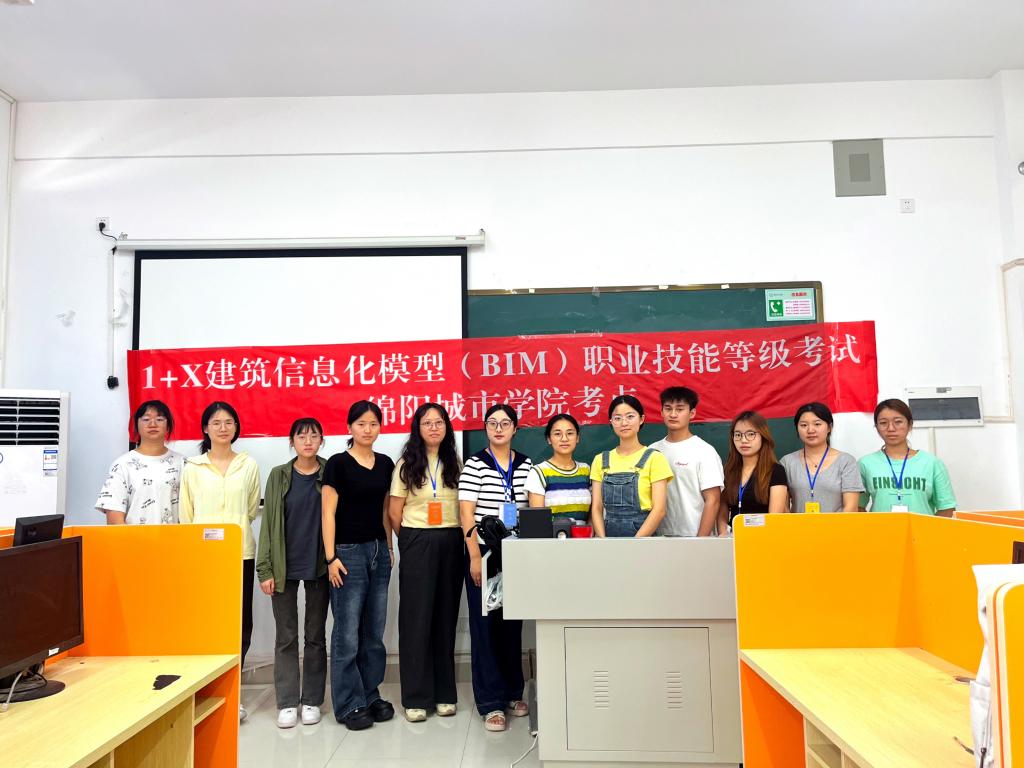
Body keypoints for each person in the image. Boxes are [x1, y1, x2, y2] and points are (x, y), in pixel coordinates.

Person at [179, 401, 261, 722]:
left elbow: (251, 509)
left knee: (240, 624)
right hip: (205, 558)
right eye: (216, 423)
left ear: (236, 427)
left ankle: (234, 692)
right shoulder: (193, 467)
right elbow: (186, 514)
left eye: (229, 422)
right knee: (208, 624)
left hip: (240, 554)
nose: (223, 428)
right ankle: (206, 690)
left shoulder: (248, 465)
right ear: (205, 428)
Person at [321, 400, 396, 731]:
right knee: (347, 632)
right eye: (361, 424)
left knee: (374, 632)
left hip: (378, 550)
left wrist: (389, 547)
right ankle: (348, 702)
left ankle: (369, 694)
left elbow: (385, 510)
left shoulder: (385, 463)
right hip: (347, 553)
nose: (368, 429)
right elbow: (327, 513)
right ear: (350, 427)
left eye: (373, 424)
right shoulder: (338, 464)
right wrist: (330, 557)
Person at [458, 403, 533, 732]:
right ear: (486, 428)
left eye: (505, 423)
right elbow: (466, 513)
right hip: (485, 551)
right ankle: (490, 703)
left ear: (515, 428)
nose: (498, 428)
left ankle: (513, 692)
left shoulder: (526, 464)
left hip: (516, 552)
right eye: (492, 423)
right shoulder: (475, 464)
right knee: (486, 627)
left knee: (511, 624)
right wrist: (474, 556)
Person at [388, 403, 463, 723]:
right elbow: (394, 511)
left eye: (439, 422)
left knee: (445, 618)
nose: (434, 427)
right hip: (418, 539)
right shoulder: (407, 464)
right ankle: (416, 698)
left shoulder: (455, 461)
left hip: (451, 539)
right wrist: (408, 541)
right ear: (417, 429)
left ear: (447, 427)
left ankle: (444, 694)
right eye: (427, 423)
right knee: (416, 620)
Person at [256, 417, 329, 729]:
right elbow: (269, 524)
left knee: (315, 636)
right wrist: (265, 568)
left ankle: (311, 699)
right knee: (286, 637)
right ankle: (287, 702)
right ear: (292, 442)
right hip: (283, 566)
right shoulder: (279, 475)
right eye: (301, 436)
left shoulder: (330, 472)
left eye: (314, 436)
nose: (308, 442)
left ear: (322, 440)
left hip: (320, 565)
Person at [589, 395, 673, 538]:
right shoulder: (600, 460)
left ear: (641, 419)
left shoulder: (655, 458)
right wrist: (603, 541)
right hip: (608, 538)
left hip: (643, 539)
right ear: (611, 422)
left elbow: (659, 510)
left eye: (630, 416)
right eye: (617, 418)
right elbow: (596, 508)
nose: (624, 423)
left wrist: (635, 543)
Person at [859, 399, 956, 516]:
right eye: (883, 423)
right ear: (877, 427)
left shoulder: (931, 463)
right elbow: (857, 506)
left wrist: (929, 528)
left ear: (910, 425)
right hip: (881, 528)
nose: (891, 428)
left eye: (898, 422)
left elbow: (947, 508)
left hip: (921, 528)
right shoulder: (865, 464)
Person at [650, 387, 724, 536]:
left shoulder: (704, 451)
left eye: (680, 409)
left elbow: (713, 500)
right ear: (661, 412)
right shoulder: (652, 451)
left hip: (693, 536)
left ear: (692, 413)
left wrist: (699, 541)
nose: (673, 414)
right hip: (658, 538)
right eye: (668, 408)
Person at [96, 399, 183, 525]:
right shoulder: (122, 465)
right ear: (136, 426)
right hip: (134, 537)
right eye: (146, 419)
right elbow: (114, 517)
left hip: (175, 537)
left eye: (159, 419)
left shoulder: (183, 463)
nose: (153, 424)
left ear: (168, 426)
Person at [780, 402, 863, 514]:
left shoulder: (846, 462)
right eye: (804, 425)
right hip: (797, 525)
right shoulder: (787, 462)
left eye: (817, 424)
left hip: (837, 525)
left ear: (829, 427)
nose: (810, 430)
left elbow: (851, 507)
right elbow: (782, 507)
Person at [721, 411, 789, 529]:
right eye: (738, 435)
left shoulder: (776, 471)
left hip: (762, 536)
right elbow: (722, 512)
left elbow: (774, 517)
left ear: (763, 436)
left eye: (750, 434)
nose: (743, 440)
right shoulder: (728, 471)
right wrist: (723, 533)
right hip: (733, 537)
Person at [525, 413, 591, 523]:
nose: (564, 439)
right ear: (549, 439)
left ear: (577, 438)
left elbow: (594, 513)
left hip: (584, 534)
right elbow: (539, 521)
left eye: (570, 433)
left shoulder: (586, 470)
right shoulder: (538, 472)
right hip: (550, 534)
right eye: (557, 434)